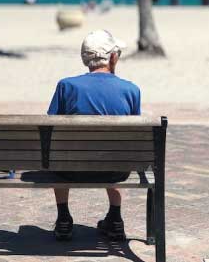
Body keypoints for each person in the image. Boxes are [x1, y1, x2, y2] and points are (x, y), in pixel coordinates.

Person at [47, 30, 141, 242]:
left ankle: (63, 218)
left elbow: (50, 127)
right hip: (115, 171)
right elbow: (133, 138)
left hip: (71, 170)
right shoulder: (131, 90)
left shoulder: (66, 86)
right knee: (117, 149)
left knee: (59, 154)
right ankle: (115, 218)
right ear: (112, 57)